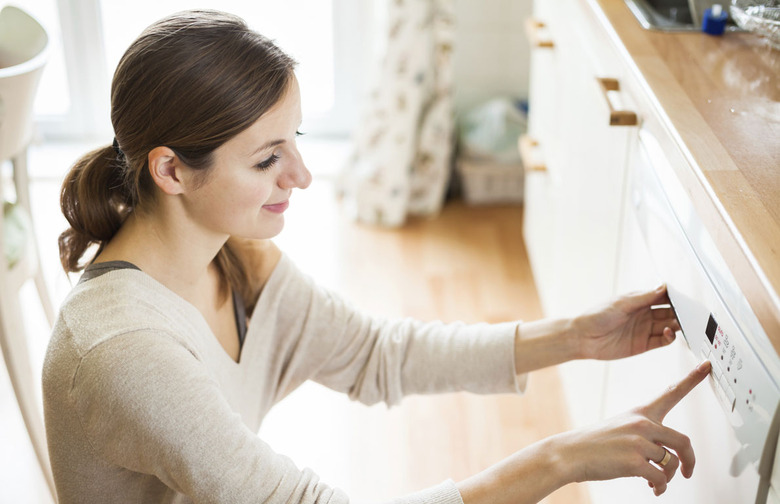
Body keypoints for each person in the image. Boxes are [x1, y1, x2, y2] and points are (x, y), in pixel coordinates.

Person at [42, 9, 711, 504]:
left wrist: (572, 337)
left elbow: (375, 353)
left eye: (293, 141)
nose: (300, 175)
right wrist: (560, 459)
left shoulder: (232, 261)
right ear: (172, 172)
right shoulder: (125, 349)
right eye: (268, 158)